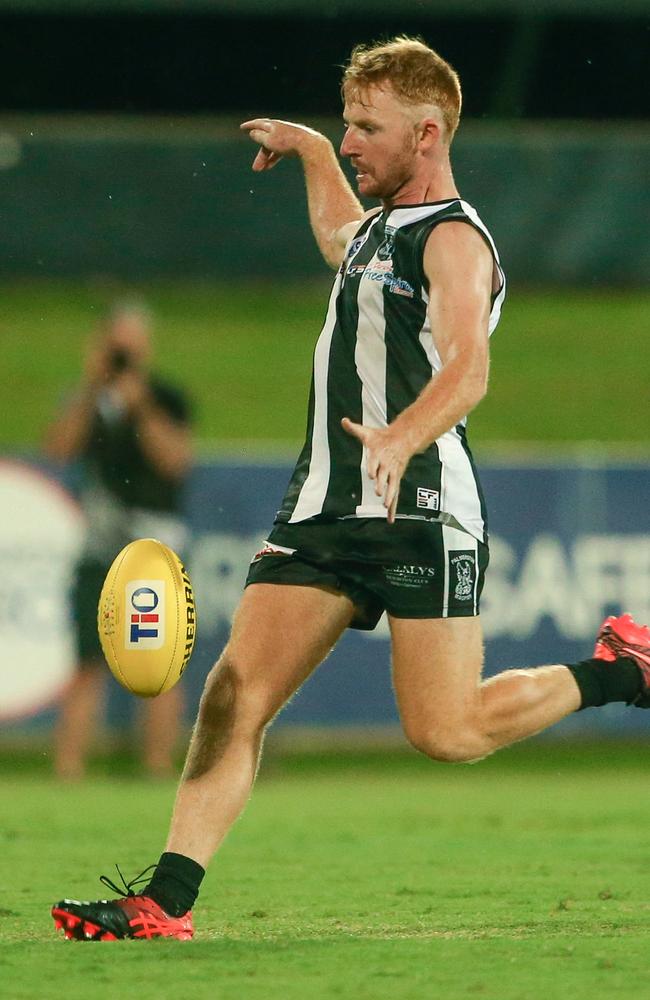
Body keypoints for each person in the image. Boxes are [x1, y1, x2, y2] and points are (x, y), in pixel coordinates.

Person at [51, 37, 650, 940]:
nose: (355, 139)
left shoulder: (453, 239)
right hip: (325, 510)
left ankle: (618, 674)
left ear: (430, 131)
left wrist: (405, 434)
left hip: (421, 509)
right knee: (232, 695)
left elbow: (470, 368)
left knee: (444, 733)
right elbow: (339, 237)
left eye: (367, 127)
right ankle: (164, 902)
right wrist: (316, 153)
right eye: (347, 124)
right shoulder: (375, 230)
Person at [45, 301, 193, 780]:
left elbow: (174, 461)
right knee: (88, 660)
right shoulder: (89, 401)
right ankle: (70, 767)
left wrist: (140, 403)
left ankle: (157, 763)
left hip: (154, 550)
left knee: (162, 661)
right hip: (99, 546)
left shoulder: (165, 399)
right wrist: (93, 387)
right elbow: (59, 449)